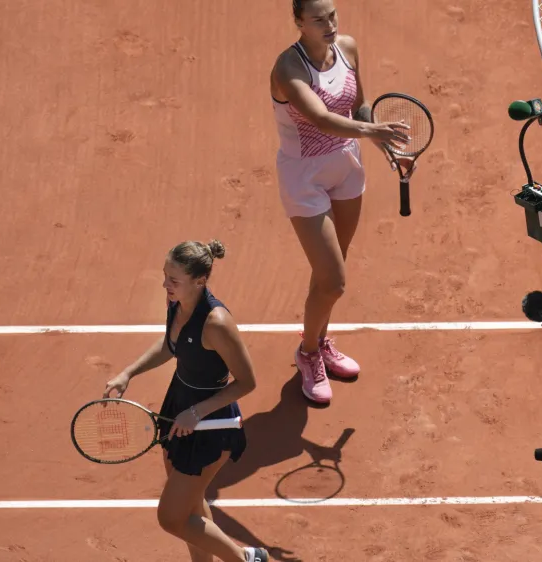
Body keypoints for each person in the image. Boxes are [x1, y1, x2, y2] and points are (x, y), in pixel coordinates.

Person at [269, 0, 412, 404]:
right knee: (333, 280)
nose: (329, 25)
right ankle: (307, 353)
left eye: (332, 15)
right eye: (318, 19)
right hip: (304, 178)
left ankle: (318, 339)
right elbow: (321, 118)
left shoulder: (347, 48)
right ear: (299, 22)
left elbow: (358, 106)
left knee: (330, 270)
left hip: (346, 166)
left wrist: (387, 147)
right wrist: (373, 131)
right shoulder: (288, 68)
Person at [103, 240, 269, 562]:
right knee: (191, 505)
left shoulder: (216, 323)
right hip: (178, 408)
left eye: (174, 280)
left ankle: (245, 559)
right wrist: (129, 372)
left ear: (200, 281)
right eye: (165, 276)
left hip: (210, 422)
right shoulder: (177, 301)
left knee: (171, 518)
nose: (165, 285)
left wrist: (196, 412)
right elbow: (171, 344)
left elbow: (247, 382)